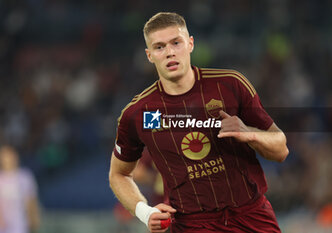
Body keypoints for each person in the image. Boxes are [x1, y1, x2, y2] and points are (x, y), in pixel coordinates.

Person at [109, 12, 289, 233]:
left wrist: (250, 133)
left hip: (251, 216)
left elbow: (280, 149)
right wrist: (145, 212)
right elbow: (119, 174)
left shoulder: (231, 85)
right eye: (159, 47)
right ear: (149, 55)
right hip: (191, 225)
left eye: (176, 43)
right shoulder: (138, 113)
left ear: (191, 44)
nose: (169, 53)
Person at [0, 145, 40, 233]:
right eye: (5, 156)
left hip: (20, 224)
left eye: (10, 156)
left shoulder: (25, 176)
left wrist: (33, 218)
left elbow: (31, 199)